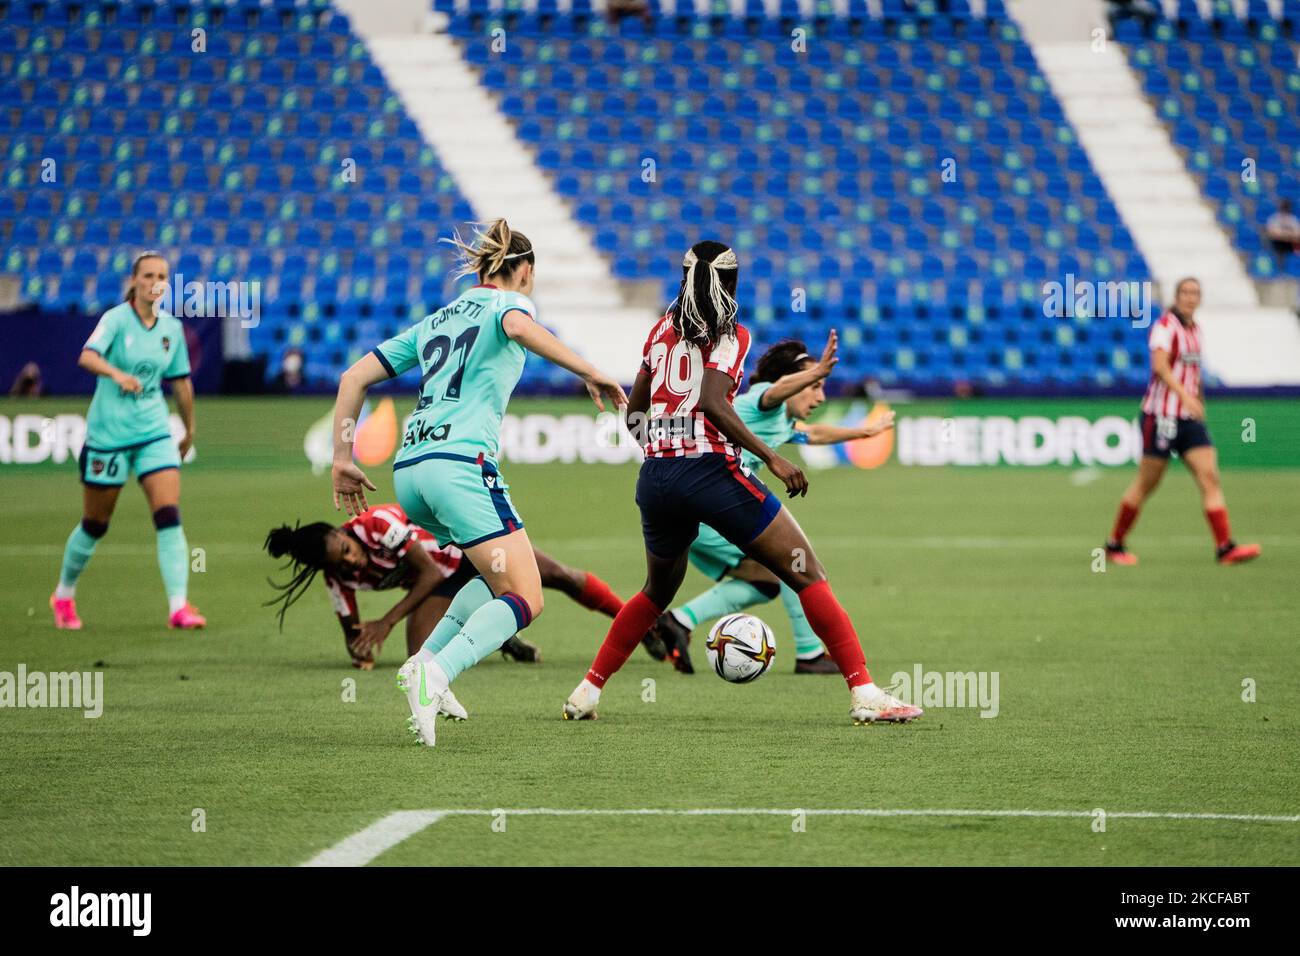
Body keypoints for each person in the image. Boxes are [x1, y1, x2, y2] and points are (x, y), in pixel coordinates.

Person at [563, 240, 920, 725]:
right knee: (806, 572)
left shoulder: (660, 332)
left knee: (655, 591)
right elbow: (712, 400)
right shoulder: (731, 335)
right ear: (731, 283)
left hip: (657, 477)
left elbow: (636, 415)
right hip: (710, 471)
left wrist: (662, 451)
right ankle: (865, 693)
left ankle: (586, 693)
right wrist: (771, 457)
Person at [329, 219, 627, 746]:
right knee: (528, 599)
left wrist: (341, 457)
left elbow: (353, 377)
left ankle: (421, 662)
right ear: (525, 270)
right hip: (459, 467)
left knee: (494, 581)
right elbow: (515, 327)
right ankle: (436, 673)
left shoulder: (437, 318)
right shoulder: (509, 305)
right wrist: (590, 370)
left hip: (411, 472)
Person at [647, 332, 897, 675]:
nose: (820, 396)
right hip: (711, 510)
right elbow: (776, 391)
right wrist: (816, 369)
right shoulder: (763, 400)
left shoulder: (782, 420)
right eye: (814, 386)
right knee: (794, 562)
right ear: (792, 382)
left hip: (705, 510)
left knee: (763, 581)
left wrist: (863, 433)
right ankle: (809, 655)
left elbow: (814, 434)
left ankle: (677, 621)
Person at [263, 504, 628, 670]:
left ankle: (640, 622)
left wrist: (385, 623)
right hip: (445, 582)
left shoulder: (377, 524)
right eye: (339, 563)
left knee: (561, 576)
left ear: (342, 532)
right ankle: (500, 636)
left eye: (347, 551)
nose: (352, 561)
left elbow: (428, 575)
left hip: (470, 548)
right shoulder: (337, 577)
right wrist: (360, 649)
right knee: (421, 657)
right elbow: (353, 634)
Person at [51, 251, 206, 630]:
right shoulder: (116, 320)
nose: (155, 281)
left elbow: (181, 382)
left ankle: (178, 606)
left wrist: (189, 428)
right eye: (148, 274)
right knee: (95, 524)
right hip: (109, 435)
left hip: (153, 431)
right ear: (134, 281)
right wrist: (117, 375)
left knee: (169, 515)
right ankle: (64, 594)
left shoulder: (171, 328)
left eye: (162, 276)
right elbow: (87, 356)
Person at [1103, 277, 1260, 566]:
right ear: (1176, 297)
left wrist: (1198, 400)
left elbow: (1194, 372)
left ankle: (1225, 548)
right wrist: (1185, 398)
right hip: (1161, 416)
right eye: (1185, 292)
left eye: (1195, 293)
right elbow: (1160, 367)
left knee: (1210, 477)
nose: (1190, 297)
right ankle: (1114, 544)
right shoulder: (1165, 327)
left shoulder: (1196, 331)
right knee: (1147, 483)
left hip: (1188, 419)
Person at [1265, 199, 1300, 266]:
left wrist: (1283, 234)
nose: (1285, 209)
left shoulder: (1293, 219)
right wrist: (1289, 234)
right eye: (1284, 207)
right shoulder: (1274, 218)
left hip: (1291, 244)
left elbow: (1297, 234)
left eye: (1287, 207)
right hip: (1277, 244)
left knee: (1298, 246)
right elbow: (1273, 234)